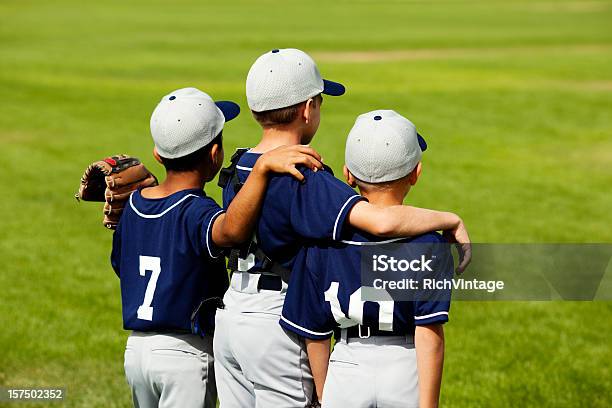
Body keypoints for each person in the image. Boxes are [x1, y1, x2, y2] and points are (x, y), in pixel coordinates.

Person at [213, 49, 470, 407]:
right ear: (306, 109)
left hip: (230, 316)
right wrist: (449, 219)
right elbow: (380, 221)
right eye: (319, 102)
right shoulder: (305, 176)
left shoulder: (240, 166)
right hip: (276, 320)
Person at [110, 87, 323, 408]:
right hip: (184, 356)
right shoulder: (197, 210)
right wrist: (262, 170)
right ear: (215, 154)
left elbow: (120, 265)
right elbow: (232, 231)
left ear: (157, 154)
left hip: (136, 354)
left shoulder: (135, 206)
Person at [281, 110, 453, 408]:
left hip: (348, 364)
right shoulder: (429, 243)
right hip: (404, 364)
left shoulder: (323, 240)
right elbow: (429, 333)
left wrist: (324, 393)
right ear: (416, 173)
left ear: (348, 175)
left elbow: (316, 332)